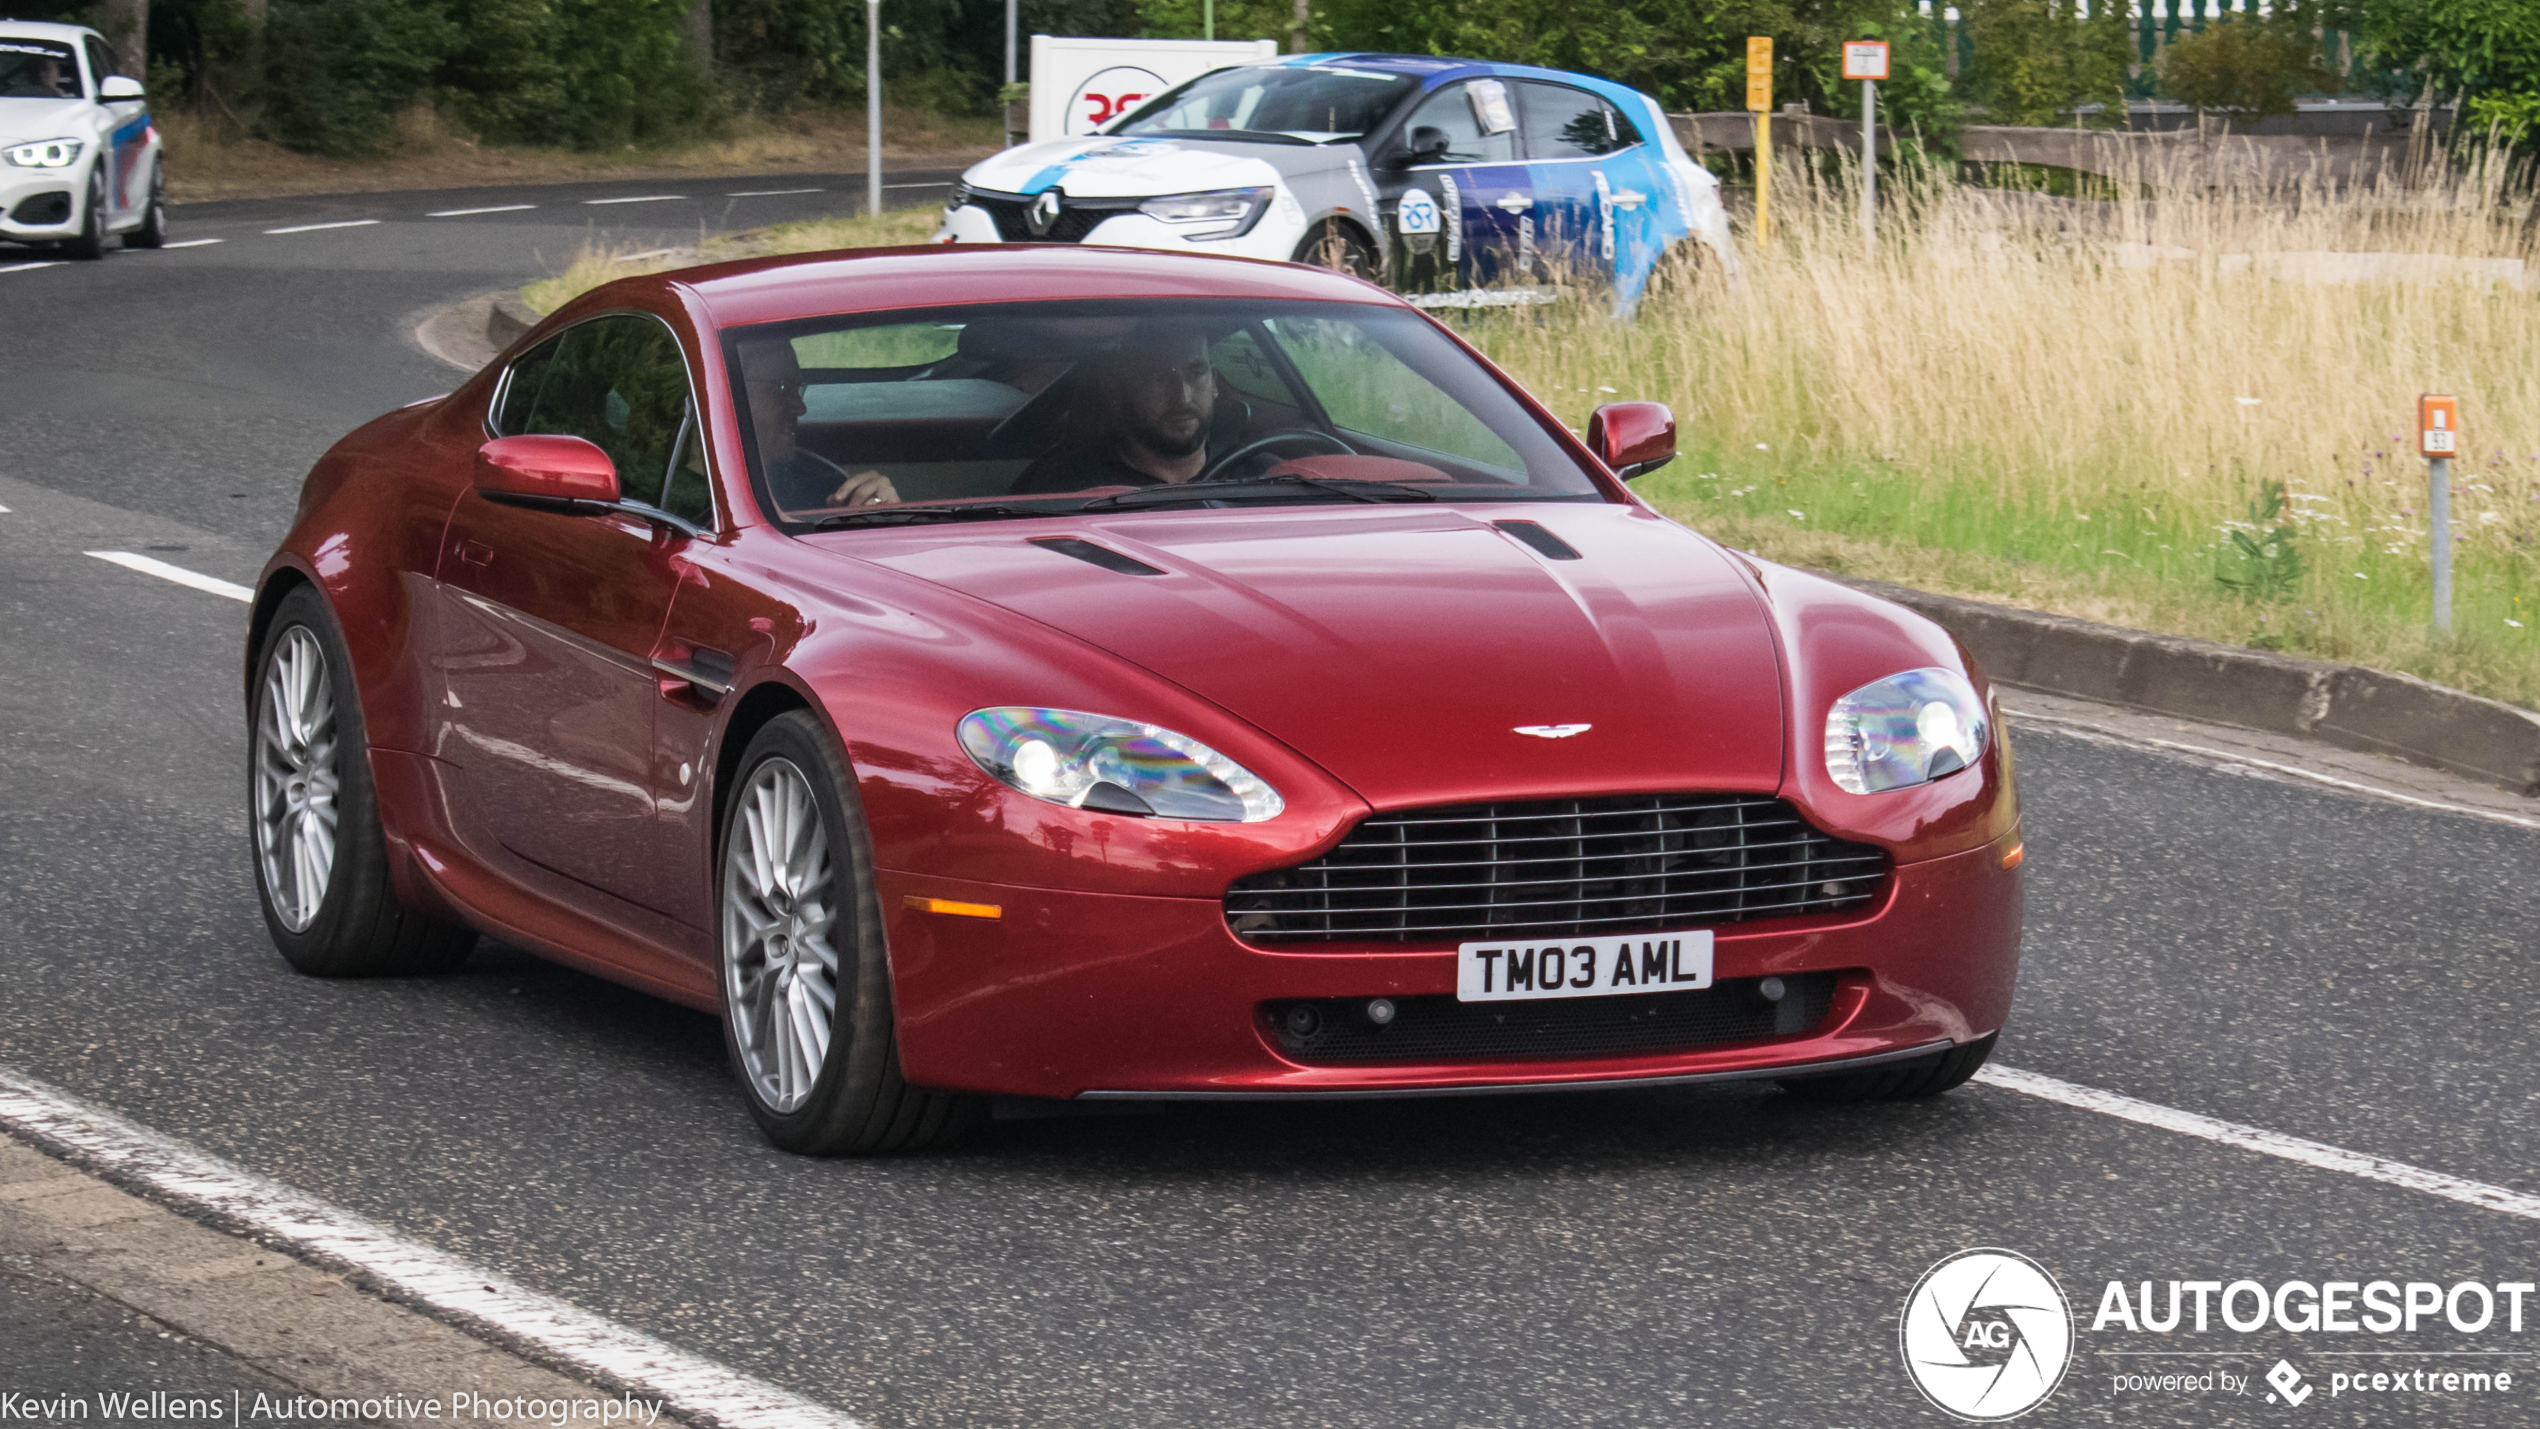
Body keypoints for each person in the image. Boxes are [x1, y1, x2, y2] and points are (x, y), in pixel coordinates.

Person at [1011, 323, 1222, 494]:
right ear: (1117, 389)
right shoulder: (1069, 487)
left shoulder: (1249, 472)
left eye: (1196, 373)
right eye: (1157, 378)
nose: (1183, 398)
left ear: (1214, 382)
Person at [735, 334, 898, 513]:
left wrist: (882, 513)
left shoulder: (821, 488)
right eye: (781, 388)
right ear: (725, 392)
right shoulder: (702, 509)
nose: (800, 408)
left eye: (796, 389)